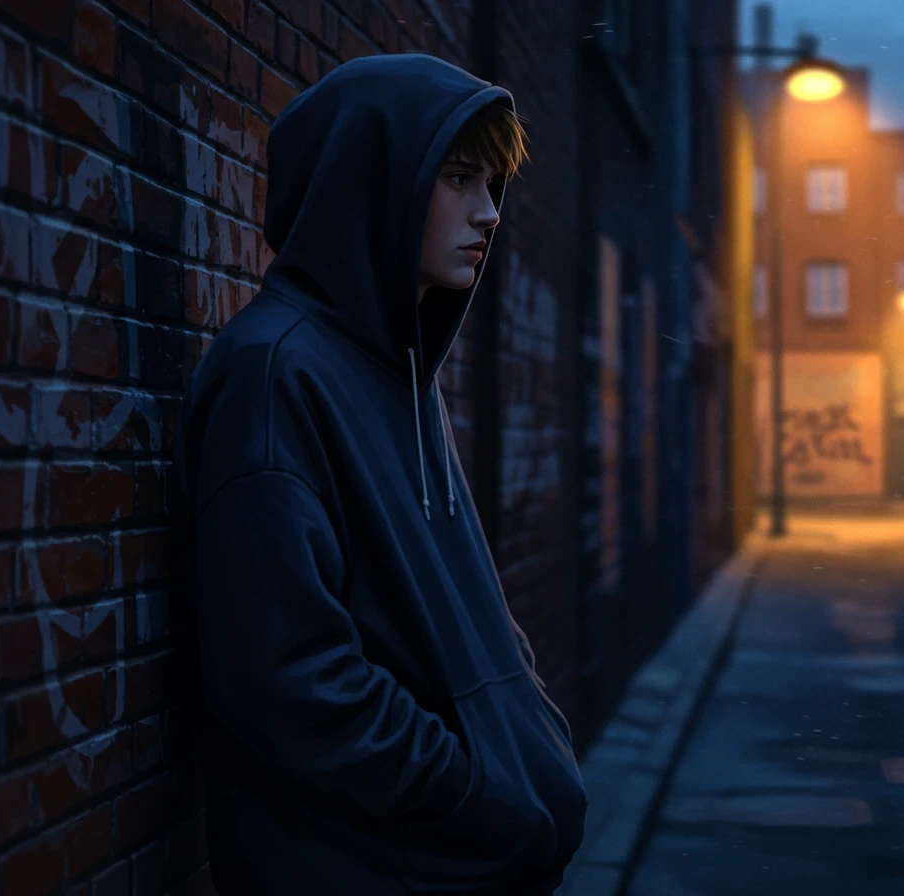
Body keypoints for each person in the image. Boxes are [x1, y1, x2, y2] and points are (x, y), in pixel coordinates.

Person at [172, 53, 587, 895]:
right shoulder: (273, 375)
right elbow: (288, 677)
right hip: (359, 869)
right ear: (371, 184)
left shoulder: (401, 375)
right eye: (460, 179)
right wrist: (472, 790)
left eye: (494, 184)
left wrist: (526, 747)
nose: (489, 213)